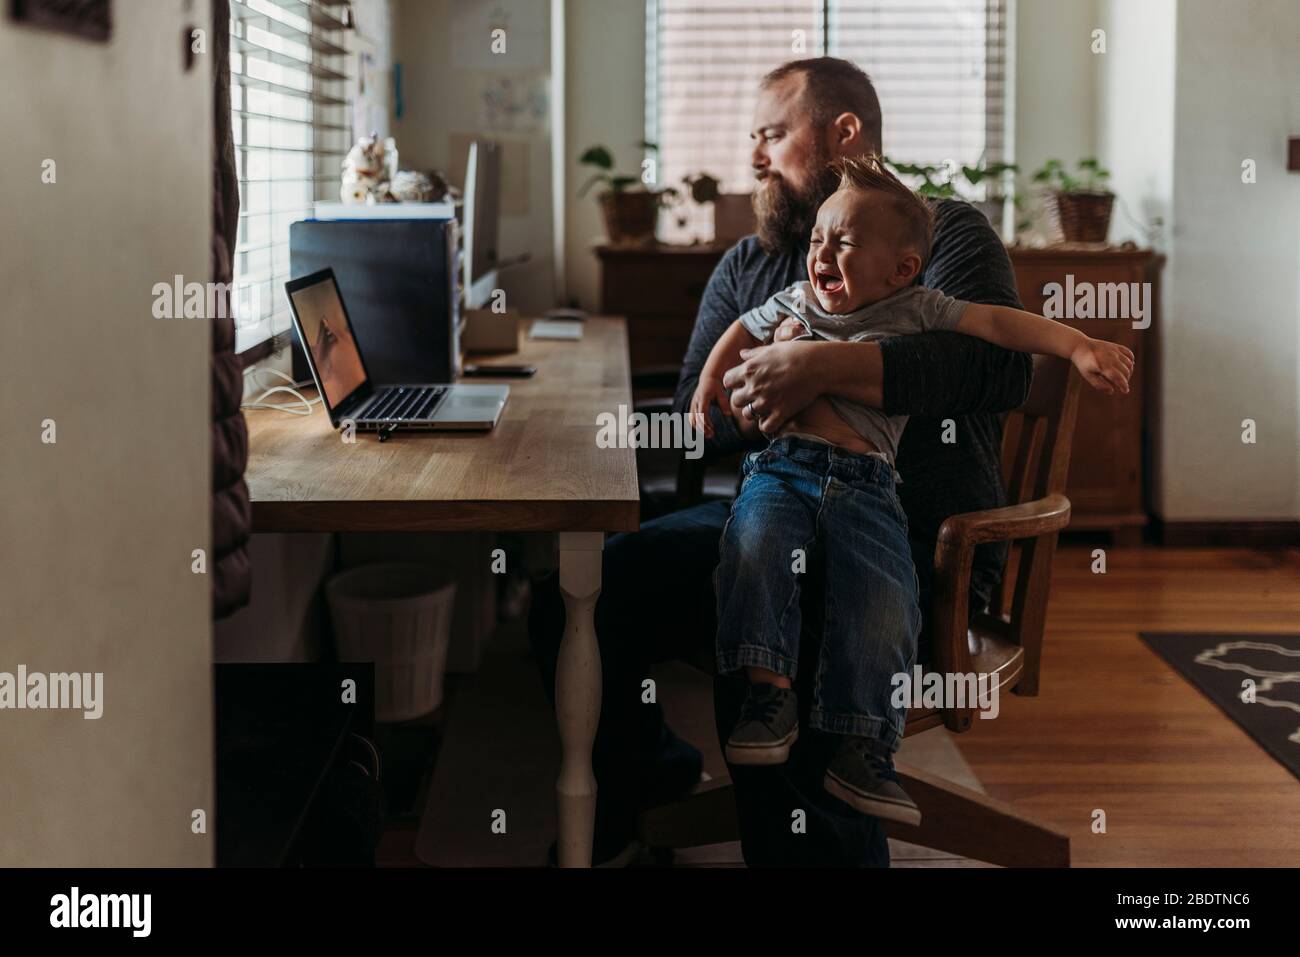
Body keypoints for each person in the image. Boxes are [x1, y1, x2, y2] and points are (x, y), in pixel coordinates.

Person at [530, 56, 1037, 866]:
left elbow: (1001, 369)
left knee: (785, 644)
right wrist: (757, 387)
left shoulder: (941, 234)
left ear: (843, 133)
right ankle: (651, 788)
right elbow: (694, 426)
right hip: (777, 513)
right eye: (752, 139)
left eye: (772, 134)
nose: (755, 157)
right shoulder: (751, 268)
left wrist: (825, 367)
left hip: (916, 541)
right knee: (578, 594)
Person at [693, 154, 1131, 825]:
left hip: (869, 485)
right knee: (753, 547)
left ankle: (865, 748)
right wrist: (710, 382)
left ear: (900, 268)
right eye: (817, 241)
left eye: (844, 244)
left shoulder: (919, 309)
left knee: (885, 597)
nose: (821, 255)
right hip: (783, 470)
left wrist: (1075, 345)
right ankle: (766, 694)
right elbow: (740, 329)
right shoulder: (795, 301)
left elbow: (999, 331)